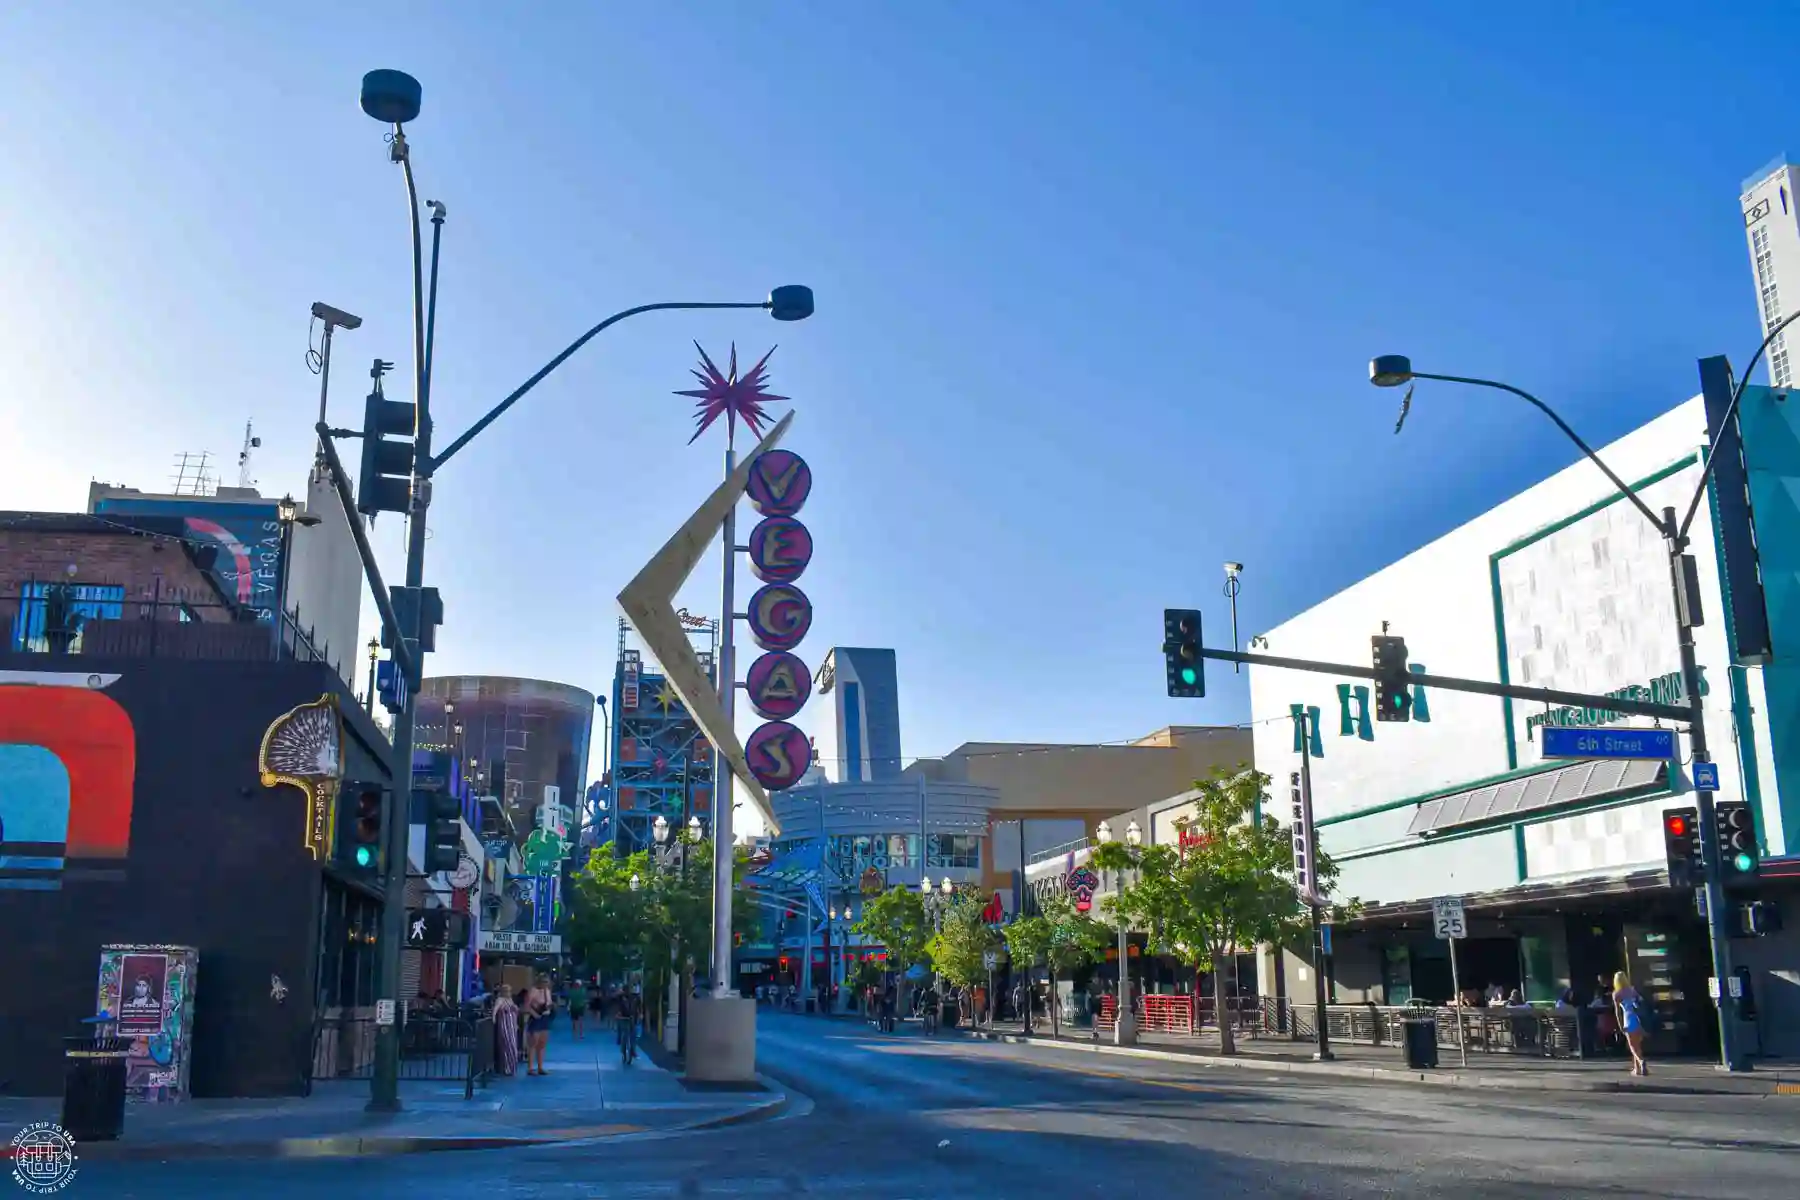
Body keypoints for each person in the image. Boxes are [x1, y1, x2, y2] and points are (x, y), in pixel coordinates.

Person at [1613, 970, 1649, 1076]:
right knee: (1637, 1045)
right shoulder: (1633, 990)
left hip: (1628, 1019)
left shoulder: (1617, 994)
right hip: (1638, 1018)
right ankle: (1636, 1069)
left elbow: (1617, 1012)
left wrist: (1620, 1025)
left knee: (1632, 1046)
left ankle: (1641, 1061)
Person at [522, 975, 554, 1076]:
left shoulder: (547, 991)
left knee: (542, 1043)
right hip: (536, 1018)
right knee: (533, 1044)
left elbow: (549, 1003)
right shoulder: (533, 991)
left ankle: (540, 1067)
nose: (545, 983)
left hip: (545, 1017)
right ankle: (530, 1068)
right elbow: (527, 1005)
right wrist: (534, 1014)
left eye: (547, 981)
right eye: (543, 981)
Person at [492, 985, 521, 1077]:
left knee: (513, 1045)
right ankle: (506, 1067)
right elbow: (495, 1009)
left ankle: (512, 1067)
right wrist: (493, 1018)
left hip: (512, 1025)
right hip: (505, 1024)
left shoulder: (510, 1000)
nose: (509, 993)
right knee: (507, 1045)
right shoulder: (500, 1000)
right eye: (507, 991)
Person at [615, 986, 640, 1065]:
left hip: (631, 1018)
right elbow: (618, 1007)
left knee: (632, 1035)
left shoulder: (634, 998)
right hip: (624, 1018)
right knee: (625, 1034)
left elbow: (637, 1008)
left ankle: (632, 1051)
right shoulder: (621, 998)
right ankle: (624, 1050)